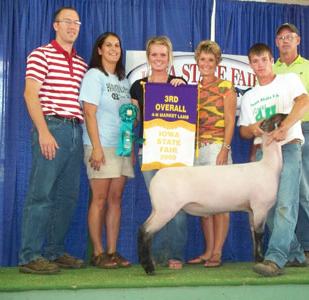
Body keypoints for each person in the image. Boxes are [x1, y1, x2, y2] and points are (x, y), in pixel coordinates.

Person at [19, 7, 88, 274]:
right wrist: (44, 132)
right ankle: (29, 256)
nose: (72, 26)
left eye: (76, 22)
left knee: (67, 196)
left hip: (74, 130)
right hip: (52, 126)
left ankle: (55, 252)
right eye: (67, 21)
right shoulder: (41, 54)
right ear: (55, 26)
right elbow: (30, 94)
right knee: (41, 194)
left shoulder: (81, 63)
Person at [239, 43, 309, 277]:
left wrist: (285, 127)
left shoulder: (288, 80)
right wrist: (251, 128)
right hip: (263, 153)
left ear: (272, 61)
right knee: (266, 209)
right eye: (255, 61)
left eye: (264, 60)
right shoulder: (249, 97)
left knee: (285, 203)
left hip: (288, 147)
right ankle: (296, 254)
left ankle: (275, 258)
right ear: (250, 65)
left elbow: (304, 103)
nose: (260, 65)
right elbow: (243, 132)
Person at [273, 23, 309, 265]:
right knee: (278, 193)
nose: (285, 41)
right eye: (281, 38)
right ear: (276, 43)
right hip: (276, 134)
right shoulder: (271, 68)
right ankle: (287, 248)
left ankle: (306, 247)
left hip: (305, 131)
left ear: (298, 40)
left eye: (290, 37)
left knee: (305, 192)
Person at [130, 36, 187, 270]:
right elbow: (136, 122)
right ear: (148, 57)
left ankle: (175, 254)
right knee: (158, 206)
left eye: (163, 54)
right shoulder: (137, 86)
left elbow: (189, 117)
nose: (159, 59)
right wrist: (130, 115)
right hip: (149, 151)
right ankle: (151, 255)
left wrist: (183, 90)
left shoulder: (180, 82)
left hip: (175, 152)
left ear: (169, 57)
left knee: (179, 205)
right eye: (154, 54)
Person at [80, 32, 134, 269]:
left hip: (121, 147)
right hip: (100, 145)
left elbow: (128, 119)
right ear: (99, 50)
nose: (114, 49)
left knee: (115, 200)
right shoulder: (94, 75)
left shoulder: (124, 82)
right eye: (108, 45)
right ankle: (98, 252)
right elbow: (89, 113)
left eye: (117, 45)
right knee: (100, 199)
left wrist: (129, 145)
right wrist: (96, 149)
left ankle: (112, 251)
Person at [187, 40, 237, 268]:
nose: (206, 63)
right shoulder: (191, 89)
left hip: (217, 148)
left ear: (216, 63)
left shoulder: (226, 87)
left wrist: (225, 149)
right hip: (196, 151)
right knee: (204, 206)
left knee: (221, 204)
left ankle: (217, 252)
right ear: (197, 61)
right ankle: (207, 251)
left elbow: (230, 121)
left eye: (210, 60)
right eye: (202, 59)